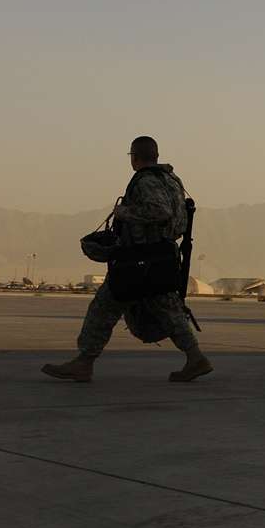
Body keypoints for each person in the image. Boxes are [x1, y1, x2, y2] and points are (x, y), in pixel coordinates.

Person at [42, 136, 212, 383]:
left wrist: (124, 212)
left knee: (103, 308)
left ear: (134, 157)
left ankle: (84, 362)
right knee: (169, 311)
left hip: (139, 261)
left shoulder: (145, 181)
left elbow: (160, 211)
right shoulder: (172, 180)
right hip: (162, 258)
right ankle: (195, 358)